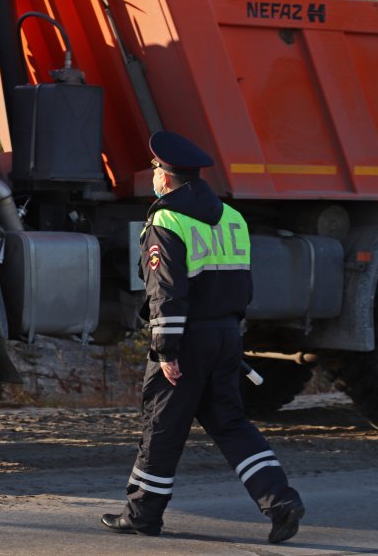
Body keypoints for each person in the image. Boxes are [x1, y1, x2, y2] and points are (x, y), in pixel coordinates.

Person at [101, 130, 305, 544]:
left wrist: (166, 350)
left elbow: (166, 292)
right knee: (231, 424)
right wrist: (226, 336)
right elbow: (242, 288)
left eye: (156, 168)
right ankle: (281, 502)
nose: (155, 174)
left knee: (162, 427)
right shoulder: (233, 217)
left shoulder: (166, 220)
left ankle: (142, 515)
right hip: (226, 335)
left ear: (167, 176)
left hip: (187, 341)